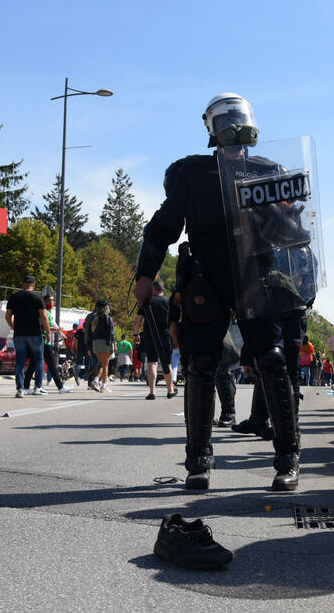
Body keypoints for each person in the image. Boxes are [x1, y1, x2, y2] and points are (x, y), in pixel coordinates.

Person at [134, 92, 315, 492]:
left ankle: (288, 457)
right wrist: (145, 274)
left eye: (239, 117)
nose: (234, 127)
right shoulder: (192, 173)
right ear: (212, 129)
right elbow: (163, 225)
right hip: (209, 277)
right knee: (200, 364)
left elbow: (295, 237)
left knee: (270, 359)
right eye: (225, 119)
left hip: (257, 275)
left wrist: (286, 212)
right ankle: (198, 461)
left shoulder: (269, 170)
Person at [4, 275, 50, 398]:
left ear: (23, 284)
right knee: (39, 360)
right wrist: (48, 332)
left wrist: (12, 326)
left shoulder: (14, 297)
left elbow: (7, 316)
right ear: (33, 285)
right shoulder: (37, 297)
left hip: (19, 334)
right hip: (35, 333)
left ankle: (20, 389)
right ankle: (37, 387)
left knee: (20, 362)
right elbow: (44, 316)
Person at [134, 280, 176, 400]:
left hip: (149, 334)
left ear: (153, 290)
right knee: (167, 362)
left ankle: (152, 392)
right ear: (162, 290)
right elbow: (174, 321)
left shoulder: (146, 302)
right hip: (165, 334)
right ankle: (170, 390)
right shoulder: (169, 302)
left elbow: (138, 321)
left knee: (152, 362)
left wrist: (135, 334)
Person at [25, 290, 70, 393]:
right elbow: (42, 326)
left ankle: (26, 386)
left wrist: (61, 334)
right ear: (43, 301)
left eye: (53, 300)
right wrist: (54, 330)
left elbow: (53, 325)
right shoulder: (42, 312)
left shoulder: (48, 313)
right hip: (44, 340)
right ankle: (60, 387)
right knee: (51, 364)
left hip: (44, 340)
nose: (51, 302)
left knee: (33, 364)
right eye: (49, 300)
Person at [89, 302, 115, 392]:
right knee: (106, 365)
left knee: (101, 363)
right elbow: (111, 332)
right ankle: (103, 385)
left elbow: (90, 333)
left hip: (96, 343)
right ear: (105, 308)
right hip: (105, 343)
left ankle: (96, 380)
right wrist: (114, 344)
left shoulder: (94, 318)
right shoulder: (108, 318)